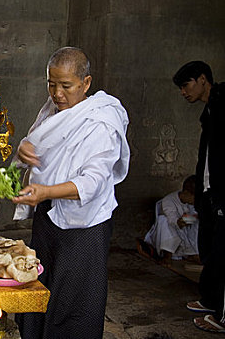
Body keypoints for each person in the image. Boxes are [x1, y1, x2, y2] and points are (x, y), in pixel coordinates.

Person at [12, 47, 130, 339]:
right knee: (37, 287)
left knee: (73, 303)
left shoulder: (101, 121)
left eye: (66, 86)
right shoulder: (53, 109)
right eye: (52, 84)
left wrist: (45, 191)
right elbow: (36, 141)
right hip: (48, 216)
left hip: (85, 226)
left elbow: (91, 183)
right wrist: (24, 149)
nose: (57, 93)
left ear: (86, 83)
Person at [172, 61, 225, 333]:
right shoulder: (209, 109)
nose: (183, 92)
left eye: (186, 85)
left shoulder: (222, 100)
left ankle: (223, 317)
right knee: (210, 248)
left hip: (221, 191)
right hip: (209, 191)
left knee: (222, 252)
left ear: (203, 79)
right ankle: (211, 300)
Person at [144, 175, 199, 265]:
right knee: (163, 220)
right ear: (186, 193)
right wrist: (185, 220)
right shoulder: (169, 201)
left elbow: (195, 215)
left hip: (186, 235)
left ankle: (194, 253)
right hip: (171, 232)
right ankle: (167, 255)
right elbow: (174, 221)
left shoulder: (193, 204)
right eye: (194, 197)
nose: (195, 201)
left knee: (199, 222)